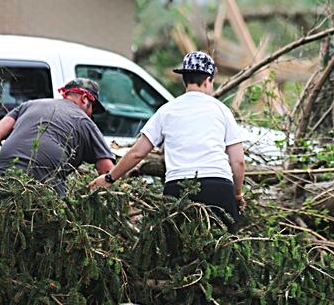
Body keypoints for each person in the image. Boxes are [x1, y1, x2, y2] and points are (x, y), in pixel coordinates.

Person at [89, 51, 246, 233]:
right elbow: (238, 161)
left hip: (178, 189)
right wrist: (237, 194)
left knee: (178, 254)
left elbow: (137, 153)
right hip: (218, 187)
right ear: (208, 80)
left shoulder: (166, 111)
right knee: (224, 248)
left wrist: (109, 178)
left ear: (184, 79)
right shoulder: (222, 110)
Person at [0, 78, 115, 196]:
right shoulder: (85, 121)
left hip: (6, 167)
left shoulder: (29, 105)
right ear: (85, 99)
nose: (91, 115)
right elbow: (107, 170)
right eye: (93, 110)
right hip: (45, 180)